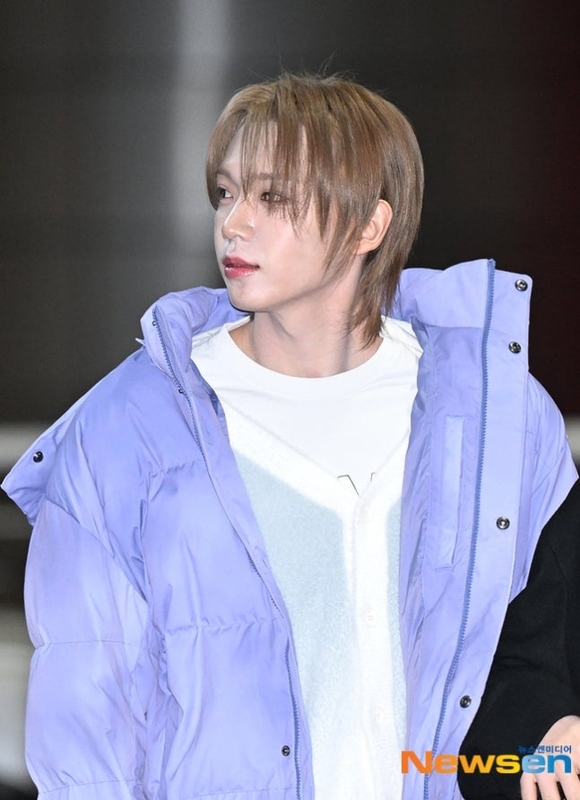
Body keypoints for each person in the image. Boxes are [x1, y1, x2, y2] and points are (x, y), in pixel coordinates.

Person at [2, 72, 578, 800]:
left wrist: (547, 740)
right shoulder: (120, 434)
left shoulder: (497, 414)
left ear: (369, 226)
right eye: (225, 193)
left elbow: (531, 673)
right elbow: (87, 739)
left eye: (273, 198)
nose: (233, 223)